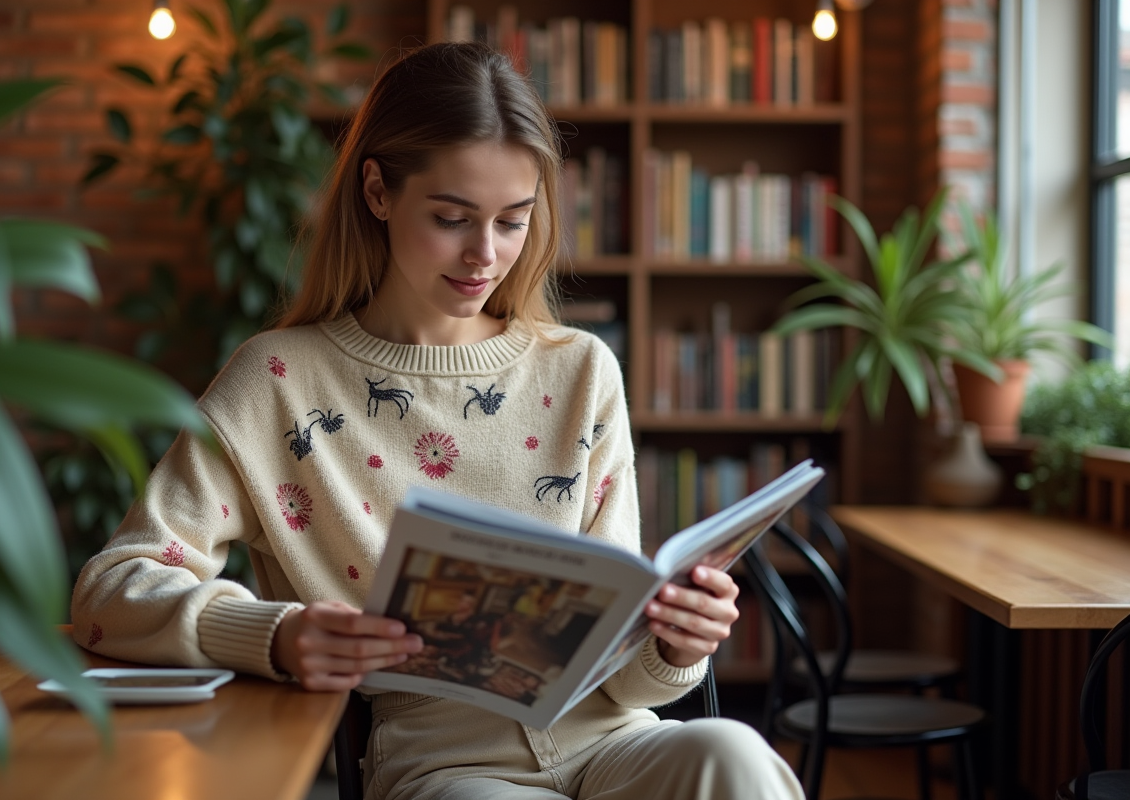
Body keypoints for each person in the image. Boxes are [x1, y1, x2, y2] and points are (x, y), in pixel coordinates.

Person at [71, 41, 803, 800]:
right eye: (452, 218)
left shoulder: (580, 370)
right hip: (447, 763)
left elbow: (624, 681)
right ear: (378, 192)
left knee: (735, 756)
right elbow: (110, 591)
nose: (485, 255)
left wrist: (676, 646)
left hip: (614, 741)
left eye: (513, 222)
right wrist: (278, 634)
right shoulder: (279, 380)